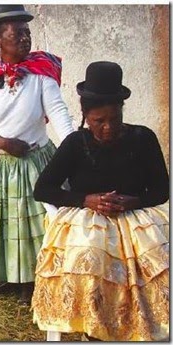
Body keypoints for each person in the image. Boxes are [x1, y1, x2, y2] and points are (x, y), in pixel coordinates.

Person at [31, 61, 169, 341]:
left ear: (122, 112)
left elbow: (161, 190)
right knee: (92, 259)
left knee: (156, 261)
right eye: (99, 122)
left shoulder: (143, 138)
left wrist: (133, 201)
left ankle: (147, 326)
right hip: (87, 219)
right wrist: (86, 200)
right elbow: (43, 189)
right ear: (85, 116)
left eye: (114, 120)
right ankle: (95, 330)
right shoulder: (75, 143)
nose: (108, 128)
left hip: (136, 217)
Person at [0, 5, 75, 304]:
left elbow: (58, 114)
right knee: (2, 221)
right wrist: (0, 141)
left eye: (27, 33)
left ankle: (32, 280)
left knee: (31, 223)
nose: (25, 39)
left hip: (32, 162)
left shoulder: (41, 75)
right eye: (17, 34)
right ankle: (7, 275)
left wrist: (76, 146)